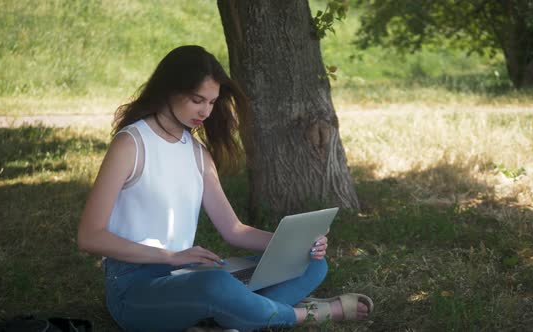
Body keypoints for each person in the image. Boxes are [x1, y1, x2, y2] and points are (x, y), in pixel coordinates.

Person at [77, 45, 373, 332]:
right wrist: (170, 257)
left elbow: (233, 230)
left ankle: (230, 316)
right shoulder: (131, 144)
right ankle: (307, 314)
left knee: (311, 265)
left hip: (189, 273)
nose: (206, 111)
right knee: (215, 285)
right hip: (135, 286)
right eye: (197, 100)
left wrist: (295, 245)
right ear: (169, 89)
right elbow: (90, 237)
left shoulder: (196, 152)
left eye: (212, 101)